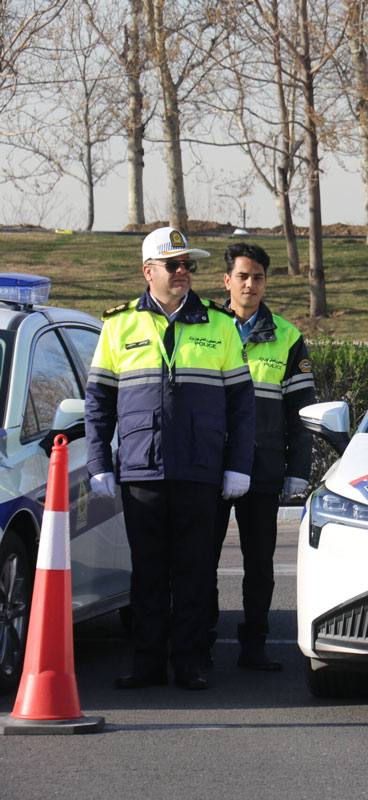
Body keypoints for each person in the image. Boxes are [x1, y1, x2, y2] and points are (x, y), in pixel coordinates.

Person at [85, 227, 255, 691]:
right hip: (142, 470)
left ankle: (190, 661)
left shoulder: (219, 325)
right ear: (148, 271)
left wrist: (238, 464)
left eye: (189, 266)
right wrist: (99, 462)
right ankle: (147, 662)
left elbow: (242, 406)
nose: (184, 273)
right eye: (173, 265)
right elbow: (98, 403)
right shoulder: (118, 325)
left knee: (195, 572)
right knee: (148, 574)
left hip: (200, 469)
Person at [209, 242, 315, 671]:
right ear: (227, 281)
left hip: (262, 468)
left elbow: (303, 412)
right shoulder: (205, 326)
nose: (250, 284)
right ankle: (201, 642)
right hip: (210, 465)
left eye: (257, 277)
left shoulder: (288, 336)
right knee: (201, 560)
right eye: (242, 276)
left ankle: (254, 645)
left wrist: (298, 471)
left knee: (259, 564)